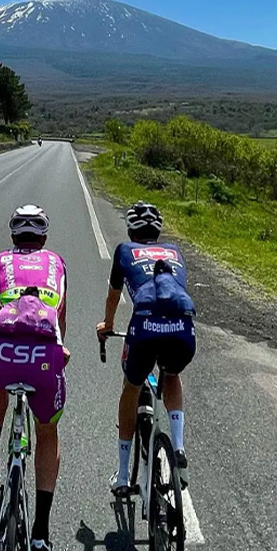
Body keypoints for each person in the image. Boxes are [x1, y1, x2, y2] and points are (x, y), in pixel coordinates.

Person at [0, 204, 68, 551]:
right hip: (45, 359)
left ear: (13, 236)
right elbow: (61, 321)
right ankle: (41, 533)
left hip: (5, 354)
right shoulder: (57, 263)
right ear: (44, 238)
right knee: (47, 431)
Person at [96, 201, 196, 496]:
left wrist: (107, 325)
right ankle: (178, 446)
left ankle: (123, 475)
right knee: (172, 375)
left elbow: (113, 297)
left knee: (131, 387)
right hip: (182, 330)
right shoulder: (174, 251)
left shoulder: (124, 250)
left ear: (130, 231)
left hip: (144, 330)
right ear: (158, 231)